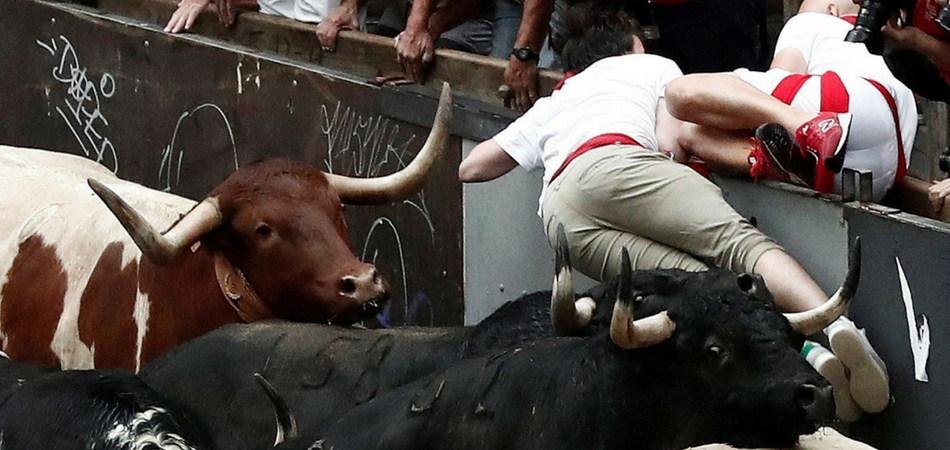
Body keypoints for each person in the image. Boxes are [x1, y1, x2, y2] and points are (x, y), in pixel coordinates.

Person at [459, 3, 890, 423]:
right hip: (620, 164)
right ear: (632, 42)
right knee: (739, 246)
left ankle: (809, 355)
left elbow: (472, 168)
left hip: (560, 216)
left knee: (704, 290)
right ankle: (842, 331)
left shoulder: (557, 98)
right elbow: (675, 139)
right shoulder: (653, 66)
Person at [664, 0, 917, 202]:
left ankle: (804, 124)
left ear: (832, 9)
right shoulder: (899, 51)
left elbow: (780, 78)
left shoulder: (812, 22)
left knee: (679, 93)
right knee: (691, 133)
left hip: (840, 104)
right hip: (883, 174)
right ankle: (780, 163)